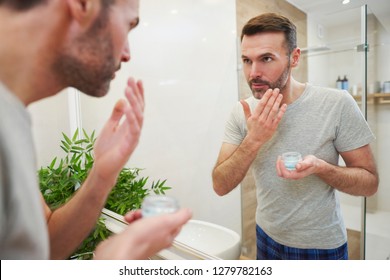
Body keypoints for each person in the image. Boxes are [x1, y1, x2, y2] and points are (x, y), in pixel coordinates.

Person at [0, 0, 191, 260]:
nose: (127, 53)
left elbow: (40, 246)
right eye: (128, 25)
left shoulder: (12, 113)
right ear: (82, 5)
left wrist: (102, 174)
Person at [212, 13, 378, 260]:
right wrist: (254, 139)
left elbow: (370, 183)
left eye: (266, 58)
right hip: (266, 235)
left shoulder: (336, 104)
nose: (253, 72)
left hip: (321, 245)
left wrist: (321, 168)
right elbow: (220, 185)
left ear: (294, 57)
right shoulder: (243, 112)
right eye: (247, 60)